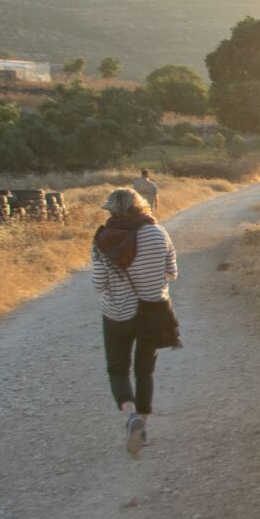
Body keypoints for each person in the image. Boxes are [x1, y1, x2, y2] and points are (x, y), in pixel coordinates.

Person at [91, 187, 177, 456]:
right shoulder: (157, 232)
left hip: (117, 313)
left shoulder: (102, 239)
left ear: (111, 209)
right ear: (140, 205)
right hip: (151, 312)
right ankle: (143, 428)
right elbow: (172, 272)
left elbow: (98, 284)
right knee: (144, 371)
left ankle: (130, 416)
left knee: (117, 369)